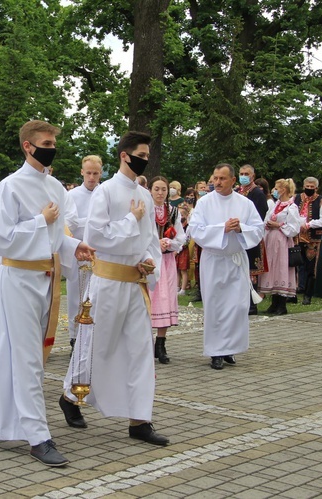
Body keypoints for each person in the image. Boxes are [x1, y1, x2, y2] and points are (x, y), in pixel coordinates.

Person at [0, 120, 93, 467]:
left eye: (54, 141)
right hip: (18, 278)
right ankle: (38, 437)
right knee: (26, 357)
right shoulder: (10, 187)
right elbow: (2, 239)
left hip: (47, 278)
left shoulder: (56, 186)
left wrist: (74, 245)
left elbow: (56, 238)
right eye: (46, 142)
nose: (52, 146)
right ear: (28, 146)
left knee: (15, 353)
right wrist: (40, 220)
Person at [59, 131, 170, 448]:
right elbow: (97, 236)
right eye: (141, 155)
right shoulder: (105, 191)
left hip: (135, 284)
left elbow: (150, 238)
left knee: (139, 350)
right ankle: (70, 396)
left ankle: (140, 420)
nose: (145, 160)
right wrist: (131, 221)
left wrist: (150, 262)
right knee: (97, 347)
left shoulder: (146, 195)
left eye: (147, 156)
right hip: (107, 282)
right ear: (125, 155)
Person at [188, 164, 264, 370]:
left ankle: (230, 348)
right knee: (216, 306)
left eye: (222, 179)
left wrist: (241, 228)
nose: (218, 182)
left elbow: (258, 230)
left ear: (233, 181)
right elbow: (195, 229)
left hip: (236, 260)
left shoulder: (245, 203)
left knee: (237, 306)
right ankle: (215, 352)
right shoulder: (204, 203)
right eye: (215, 178)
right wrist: (222, 228)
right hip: (214, 259)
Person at [64, 155, 103, 349]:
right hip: (78, 253)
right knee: (75, 296)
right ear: (82, 172)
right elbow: (67, 224)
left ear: (101, 173)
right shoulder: (72, 196)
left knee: (96, 296)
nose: (92, 177)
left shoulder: (104, 194)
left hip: (99, 254)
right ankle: (74, 337)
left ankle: (92, 338)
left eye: (95, 173)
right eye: (88, 173)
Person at [148, 176, 186, 364]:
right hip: (149, 261)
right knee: (149, 299)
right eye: (157, 189)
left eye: (164, 189)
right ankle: (146, 344)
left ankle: (161, 344)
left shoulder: (173, 212)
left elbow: (181, 237)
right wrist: (156, 243)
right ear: (150, 190)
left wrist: (169, 242)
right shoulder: (145, 210)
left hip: (167, 261)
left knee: (166, 299)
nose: (161, 193)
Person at [258, 179, 301, 315]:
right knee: (272, 268)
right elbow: (266, 218)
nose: (274, 191)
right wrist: (267, 224)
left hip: (282, 240)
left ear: (283, 190)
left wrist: (278, 225)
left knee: (281, 268)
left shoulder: (291, 207)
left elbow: (295, 228)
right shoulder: (275, 205)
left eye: (276, 188)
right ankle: (274, 302)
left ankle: (282, 304)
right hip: (271, 239)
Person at [237, 165, 269, 315]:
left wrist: (246, 227)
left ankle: (252, 303)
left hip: (251, 236)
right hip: (238, 237)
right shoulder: (238, 192)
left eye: (246, 174)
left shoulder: (257, 193)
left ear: (253, 176)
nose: (243, 176)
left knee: (252, 270)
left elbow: (260, 216)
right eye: (241, 173)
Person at [295, 177, 322, 305]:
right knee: (295, 264)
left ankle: (307, 295)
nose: (309, 189)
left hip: (312, 239)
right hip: (297, 237)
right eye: (307, 186)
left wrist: (309, 224)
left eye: (312, 187)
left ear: (316, 188)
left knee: (311, 267)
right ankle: (293, 292)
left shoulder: (321, 201)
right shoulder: (296, 198)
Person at [176, 205, 191, 295]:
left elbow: (187, 240)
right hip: (177, 249)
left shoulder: (188, 227)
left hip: (183, 250)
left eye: (182, 215)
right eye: (179, 215)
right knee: (177, 269)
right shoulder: (178, 225)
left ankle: (183, 289)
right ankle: (177, 286)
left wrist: (179, 248)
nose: (181, 217)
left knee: (183, 270)